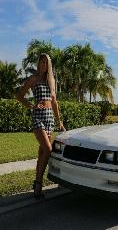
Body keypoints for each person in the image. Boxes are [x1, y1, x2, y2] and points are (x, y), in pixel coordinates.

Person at [17, 53, 65, 198]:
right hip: (38, 117)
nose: (44, 65)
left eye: (46, 62)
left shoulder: (52, 81)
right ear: (38, 64)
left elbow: (55, 103)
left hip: (49, 117)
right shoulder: (34, 79)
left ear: (49, 65)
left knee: (42, 153)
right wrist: (32, 106)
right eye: (42, 62)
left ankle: (37, 185)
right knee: (48, 149)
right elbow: (19, 96)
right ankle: (38, 183)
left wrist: (59, 122)